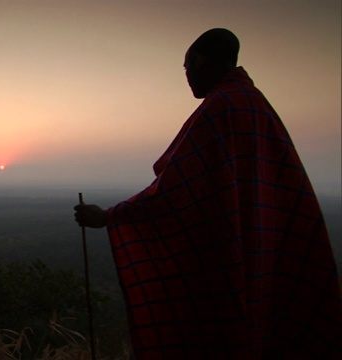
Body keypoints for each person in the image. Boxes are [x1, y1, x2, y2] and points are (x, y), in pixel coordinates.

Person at [74, 28, 342, 359]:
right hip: (263, 248)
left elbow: (174, 192)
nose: (187, 77)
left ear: (200, 61)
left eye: (187, 68)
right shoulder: (255, 104)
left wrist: (108, 217)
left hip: (228, 254)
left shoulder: (222, 107)